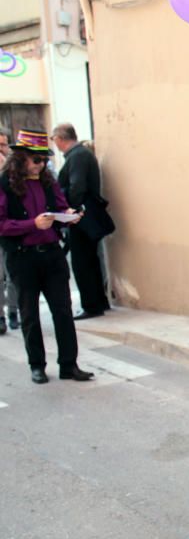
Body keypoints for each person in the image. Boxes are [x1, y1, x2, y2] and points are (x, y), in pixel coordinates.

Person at [0, 129, 94, 384]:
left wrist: (70, 214)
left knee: (63, 311)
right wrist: (32, 224)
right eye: (36, 160)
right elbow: (2, 224)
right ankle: (37, 366)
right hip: (23, 258)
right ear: (20, 159)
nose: (41, 165)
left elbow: (61, 207)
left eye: (44, 160)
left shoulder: (48, 182)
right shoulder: (4, 184)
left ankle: (69, 365)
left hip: (51, 254)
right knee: (29, 314)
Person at [51, 123, 110, 319]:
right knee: (89, 260)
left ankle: (92, 305)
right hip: (84, 215)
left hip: (80, 217)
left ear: (60, 138)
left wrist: (70, 212)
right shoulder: (80, 154)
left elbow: (77, 187)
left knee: (83, 262)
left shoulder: (77, 156)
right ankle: (98, 301)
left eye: (54, 140)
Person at [0, 127, 18, 334]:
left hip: (12, 229)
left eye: (4, 144)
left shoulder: (14, 171)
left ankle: (14, 311)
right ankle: (1, 316)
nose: (2, 149)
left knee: (13, 273)